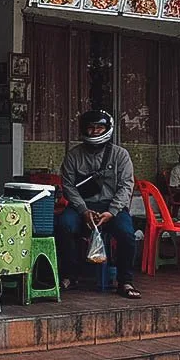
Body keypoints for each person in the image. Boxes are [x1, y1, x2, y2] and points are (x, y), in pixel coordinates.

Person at [55, 109, 141, 299]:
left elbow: (126, 186)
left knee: (127, 234)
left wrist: (112, 211)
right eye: (91, 128)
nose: (94, 132)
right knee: (63, 226)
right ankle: (70, 275)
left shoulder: (121, 155)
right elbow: (68, 186)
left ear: (107, 129)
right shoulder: (73, 155)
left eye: (99, 128)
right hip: (81, 208)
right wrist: (83, 210)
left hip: (112, 209)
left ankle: (125, 280)